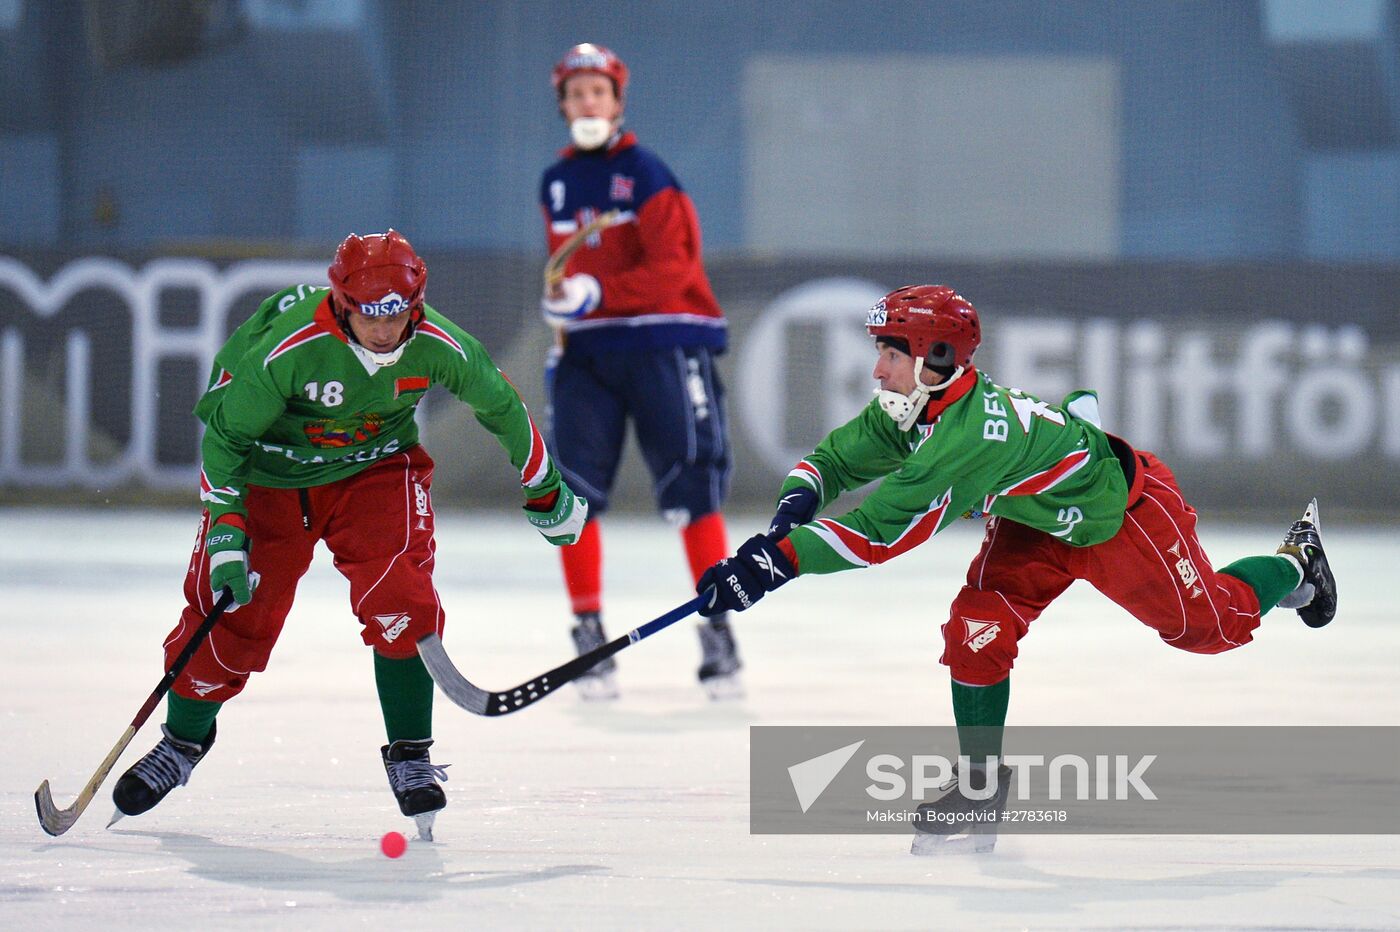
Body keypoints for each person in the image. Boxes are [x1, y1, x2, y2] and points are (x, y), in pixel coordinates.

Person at [696, 284, 1338, 852]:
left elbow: (876, 535)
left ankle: (1295, 562)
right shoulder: (915, 404)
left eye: (891, 354)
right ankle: (979, 786)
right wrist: (783, 523)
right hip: (1035, 520)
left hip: (1118, 516)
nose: (877, 370)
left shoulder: (966, 438)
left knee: (1211, 628)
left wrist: (771, 565)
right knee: (976, 630)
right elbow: (834, 463)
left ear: (933, 359)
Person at [110, 230, 586, 840]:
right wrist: (227, 533)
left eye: (398, 313)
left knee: (402, 602)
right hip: (269, 480)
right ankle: (181, 744)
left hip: (375, 471)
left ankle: (411, 756)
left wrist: (545, 487)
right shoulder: (290, 349)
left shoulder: (437, 341)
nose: (386, 330)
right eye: (370, 313)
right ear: (341, 301)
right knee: (231, 616)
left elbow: (500, 404)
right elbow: (225, 440)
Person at [538, 43, 740, 700]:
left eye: (598, 91)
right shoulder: (557, 183)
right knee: (572, 497)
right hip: (588, 355)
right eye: (576, 94)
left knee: (691, 490)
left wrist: (596, 295)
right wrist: (567, 305)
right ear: (564, 105)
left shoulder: (649, 174)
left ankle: (718, 631)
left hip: (663, 345)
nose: (587, 103)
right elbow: (570, 269)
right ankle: (588, 636)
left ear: (617, 101)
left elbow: (673, 270)